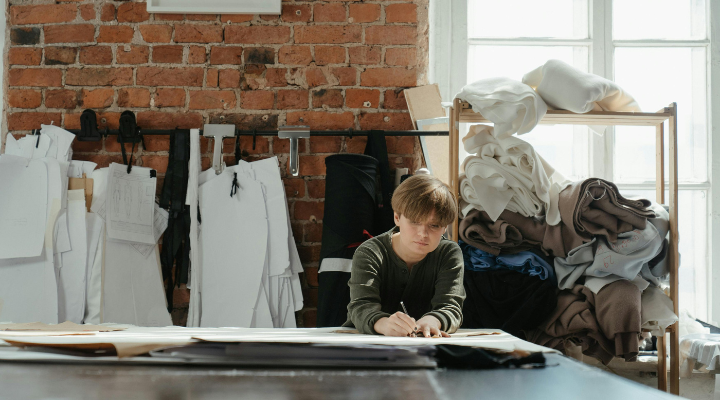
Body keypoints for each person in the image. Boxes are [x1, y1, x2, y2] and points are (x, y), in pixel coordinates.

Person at [344, 174, 465, 338]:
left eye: (434, 225)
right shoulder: (370, 252)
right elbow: (361, 306)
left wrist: (433, 321)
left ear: (444, 228)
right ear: (397, 217)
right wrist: (385, 324)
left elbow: (450, 306)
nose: (423, 233)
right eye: (415, 221)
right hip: (366, 342)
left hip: (428, 345)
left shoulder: (449, 253)